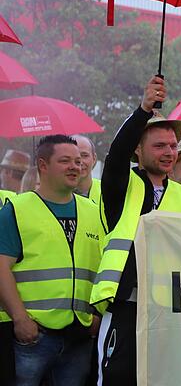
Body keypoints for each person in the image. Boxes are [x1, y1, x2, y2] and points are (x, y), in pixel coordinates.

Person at [93, 75, 181, 386]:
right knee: (117, 378)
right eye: (158, 146)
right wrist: (142, 110)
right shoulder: (122, 185)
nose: (168, 152)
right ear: (138, 151)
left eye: (172, 146)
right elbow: (115, 156)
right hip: (126, 308)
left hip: (170, 310)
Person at [0, 135, 104, 385]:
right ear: (43, 166)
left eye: (79, 161)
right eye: (65, 161)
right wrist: (20, 319)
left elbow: (102, 268)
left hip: (79, 334)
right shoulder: (16, 209)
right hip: (31, 334)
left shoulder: (92, 211)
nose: (75, 167)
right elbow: (1, 267)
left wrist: (97, 315)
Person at [72, 134, 101, 203]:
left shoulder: (109, 192)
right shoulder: (53, 195)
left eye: (84, 155)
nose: (80, 162)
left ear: (94, 159)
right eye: (72, 156)